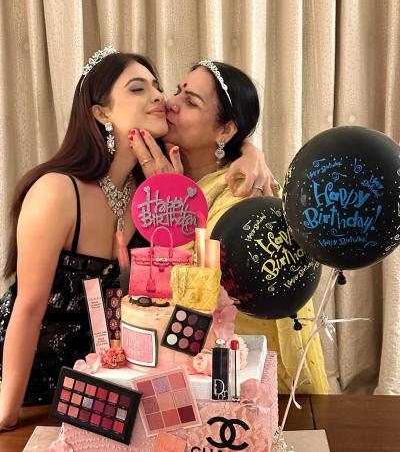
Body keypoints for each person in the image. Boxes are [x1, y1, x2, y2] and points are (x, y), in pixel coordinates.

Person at [0, 49, 270, 430]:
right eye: (138, 88)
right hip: (25, 382)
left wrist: (250, 151)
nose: (160, 97)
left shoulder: (152, 189)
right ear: (101, 113)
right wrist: (7, 409)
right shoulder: (57, 192)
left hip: (101, 388)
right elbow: (28, 307)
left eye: (158, 87)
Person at [128, 60, 329, 395]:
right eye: (177, 91)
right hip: (169, 364)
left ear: (225, 131)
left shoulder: (242, 193)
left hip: (239, 371)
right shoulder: (153, 167)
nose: (170, 102)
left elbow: (201, 287)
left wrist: (171, 203)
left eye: (191, 102)